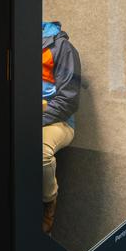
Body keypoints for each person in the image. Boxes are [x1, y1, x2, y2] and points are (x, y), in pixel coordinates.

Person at [41, 21, 81, 235]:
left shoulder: (61, 47)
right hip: (25, 115)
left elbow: (68, 100)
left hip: (59, 120)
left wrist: (30, 121)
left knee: (40, 151)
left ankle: (48, 203)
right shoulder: (19, 42)